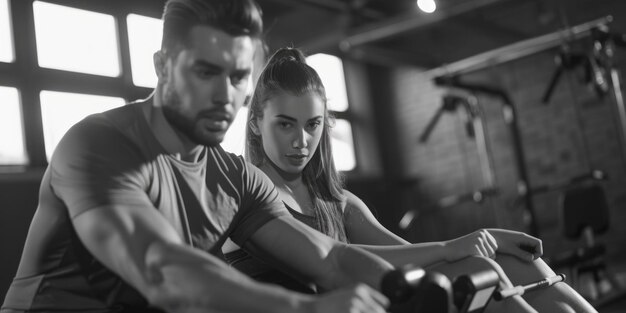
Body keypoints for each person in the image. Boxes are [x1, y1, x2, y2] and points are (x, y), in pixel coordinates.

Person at [0, 1, 400, 312]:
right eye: (206, 72)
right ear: (162, 68)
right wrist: (307, 308)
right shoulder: (98, 144)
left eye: (238, 77)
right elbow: (160, 271)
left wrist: (407, 291)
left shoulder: (236, 178)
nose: (225, 96)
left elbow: (329, 257)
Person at [223, 46, 599, 313]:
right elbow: (337, 261)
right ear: (255, 122)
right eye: (285, 124)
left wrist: (482, 241)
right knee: (474, 270)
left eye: (312, 125)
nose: (300, 142)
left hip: (376, 300)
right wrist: (450, 248)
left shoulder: (337, 203)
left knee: (499, 265)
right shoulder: (247, 191)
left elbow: (410, 261)